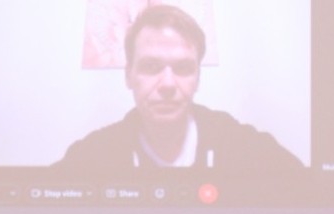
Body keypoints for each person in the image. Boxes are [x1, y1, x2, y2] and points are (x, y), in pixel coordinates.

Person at [54, 4, 302, 172]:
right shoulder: (91, 157)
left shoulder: (243, 146)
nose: (169, 84)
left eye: (183, 68)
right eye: (151, 66)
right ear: (128, 76)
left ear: (198, 78)